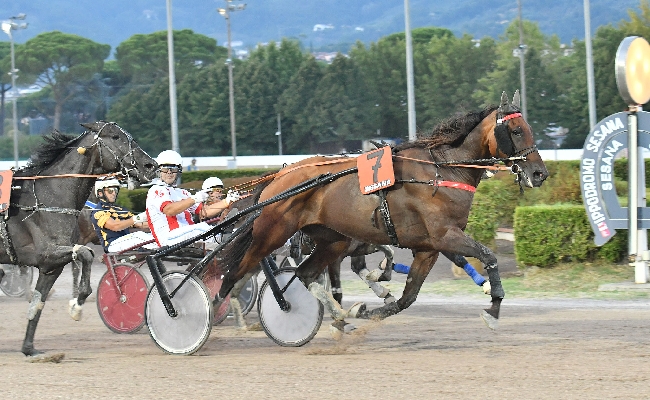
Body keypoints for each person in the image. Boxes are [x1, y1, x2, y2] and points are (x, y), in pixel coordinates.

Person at [146, 150, 239, 247]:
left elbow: (204, 212)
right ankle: (223, 237)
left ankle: (230, 238)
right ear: (159, 171)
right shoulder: (156, 190)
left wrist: (227, 201)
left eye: (173, 169)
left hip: (188, 235)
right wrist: (195, 198)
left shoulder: (183, 193)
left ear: (178, 171)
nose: (169, 173)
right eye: (165, 169)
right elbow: (169, 210)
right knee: (200, 228)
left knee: (233, 232)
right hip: (169, 238)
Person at [89, 178, 157, 253]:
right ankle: (162, 247)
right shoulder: (98, 212)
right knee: (138, 235)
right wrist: (136, 218)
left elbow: (140, 225)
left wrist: (158, 224)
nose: (114, 193)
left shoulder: (119, 209)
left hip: (126, 241)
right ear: (100, 193)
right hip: (113, 245)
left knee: (152, 234)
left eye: (116, 190)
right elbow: (115, 226)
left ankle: (163, 246)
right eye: (110, 190)